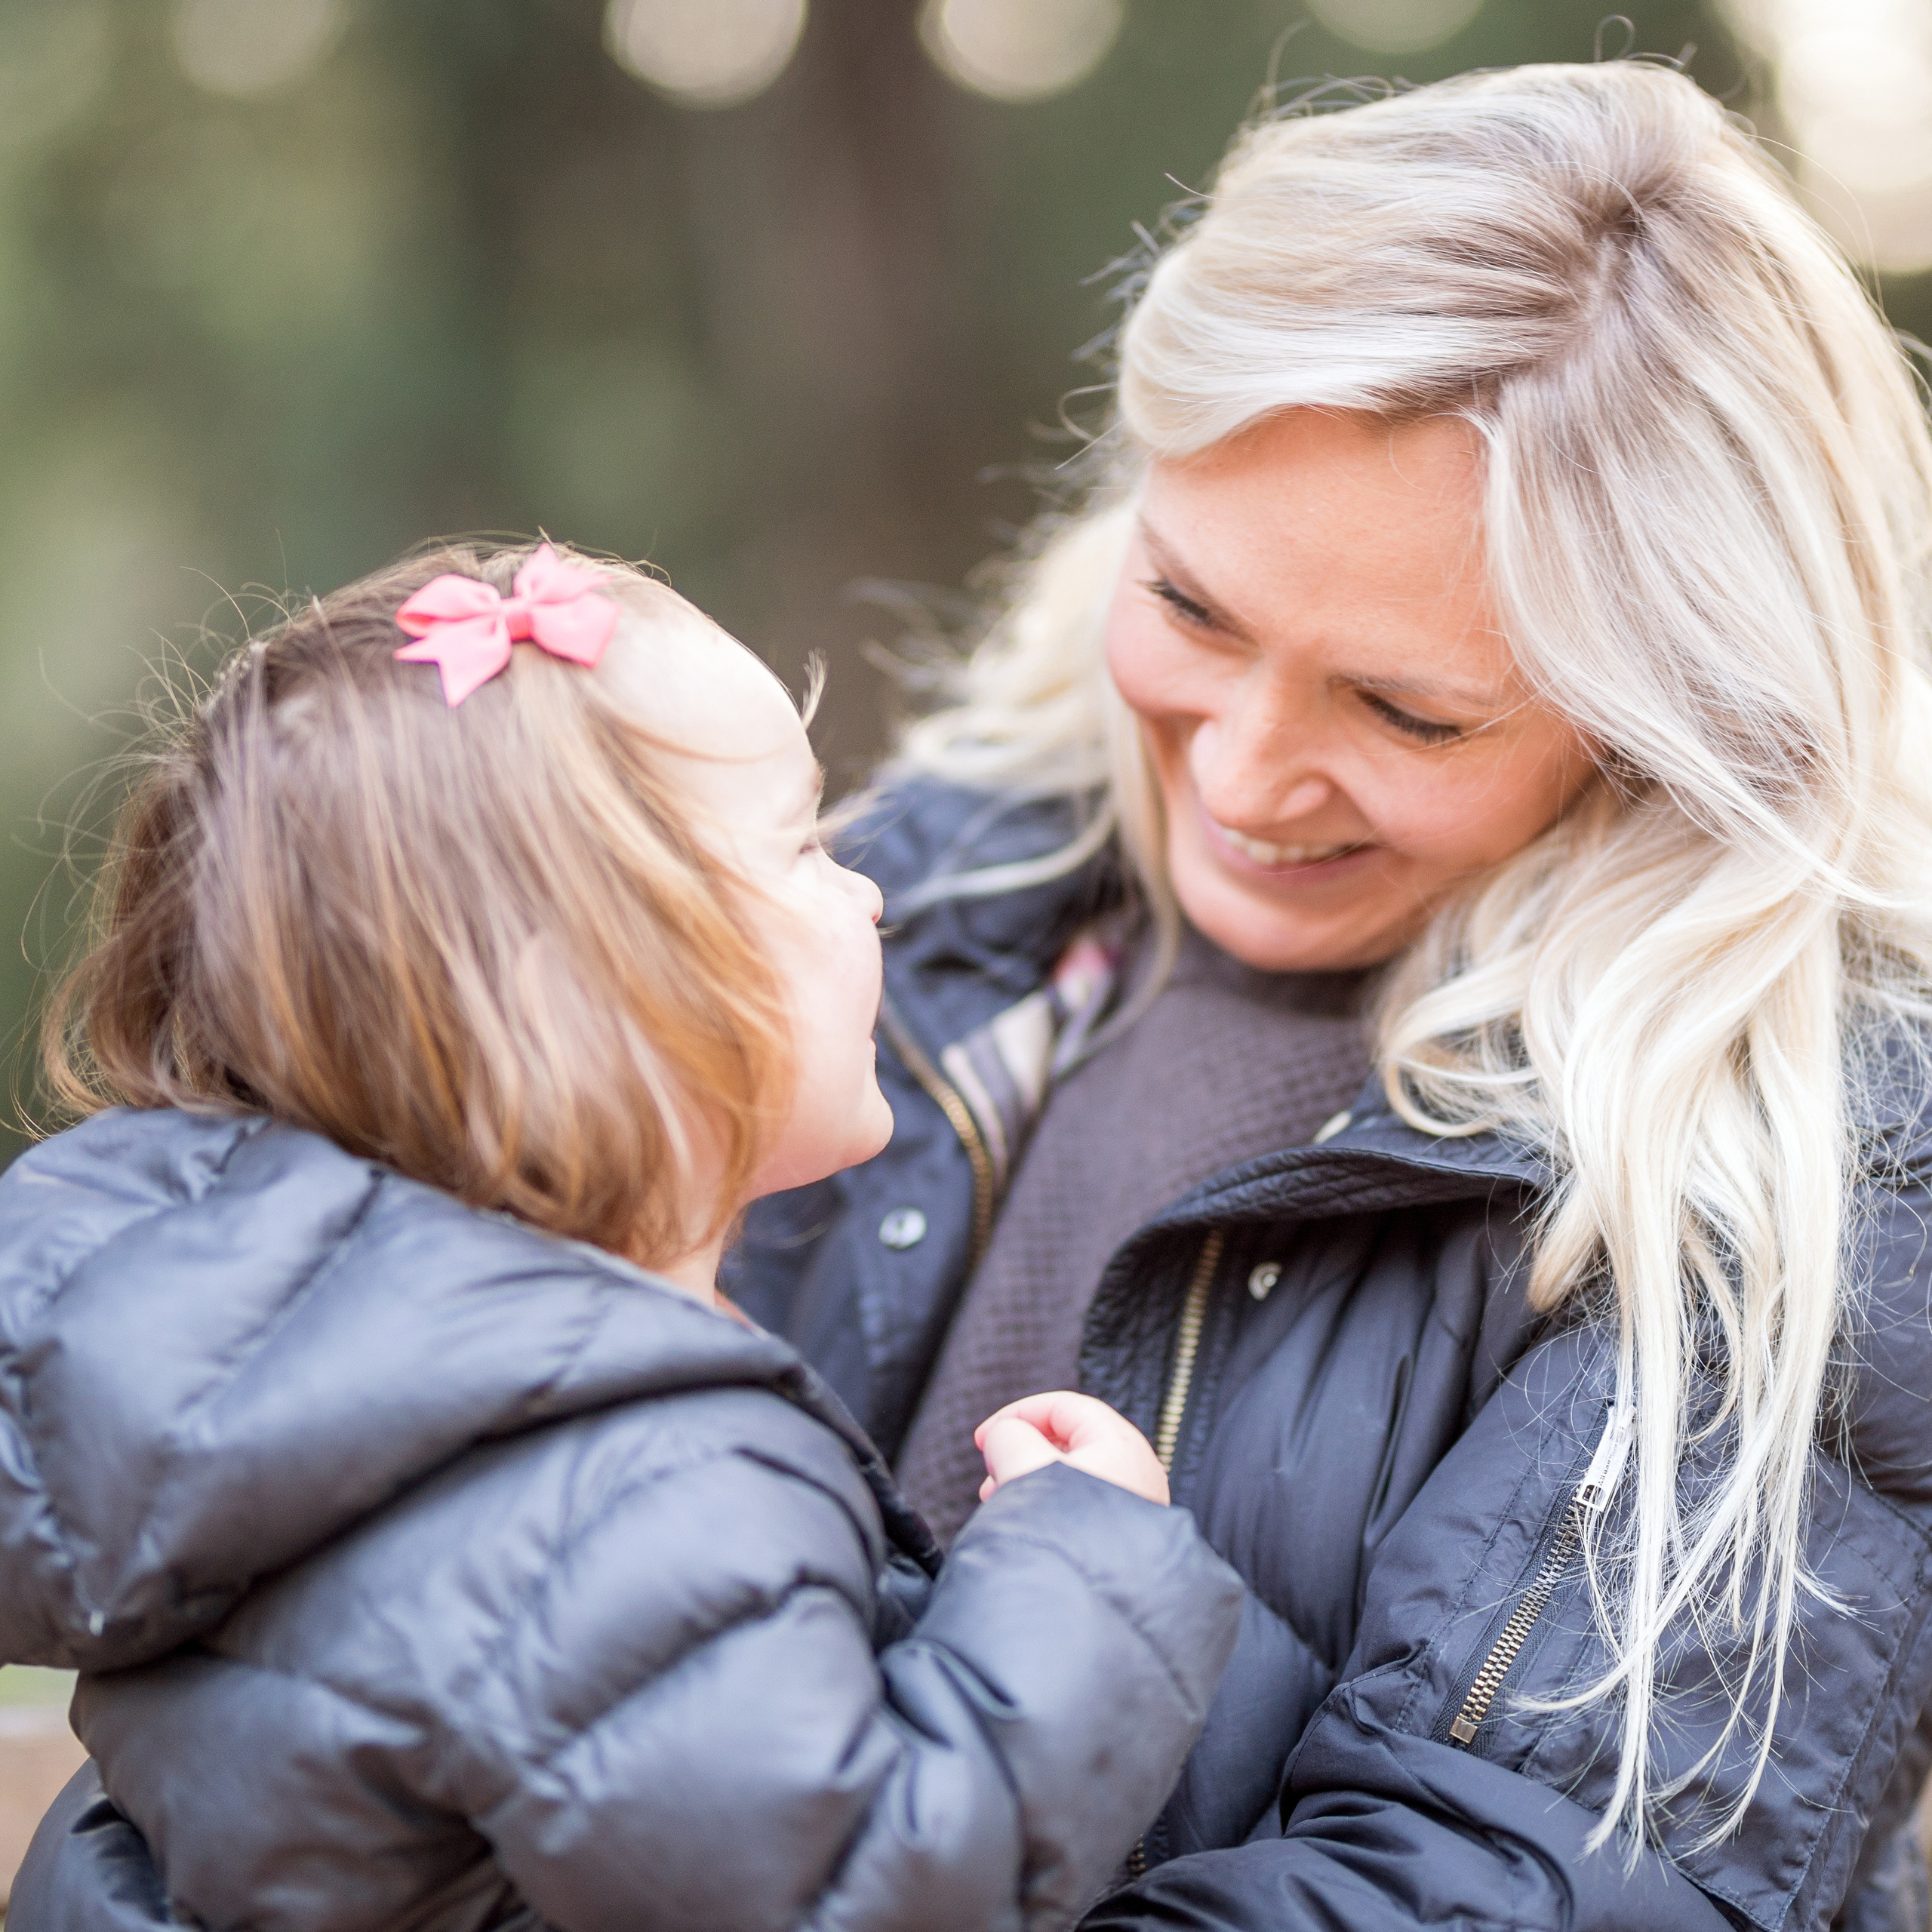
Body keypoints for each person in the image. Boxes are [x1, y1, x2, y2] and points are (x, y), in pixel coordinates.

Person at [725, 60, 1932, 1932]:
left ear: (1672, 731)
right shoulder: (913, 900)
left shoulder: (1797, 1178)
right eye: (1193, 608)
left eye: (1404, 709)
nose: (1242, 771)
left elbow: (1496, 1889)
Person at [0, 541, 1244, 1932]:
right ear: (587, 1011)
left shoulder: (327, 1413)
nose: (871, 895)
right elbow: (855, 1895)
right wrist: (1082, 1575)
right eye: (802, 849)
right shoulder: (607, 1489)